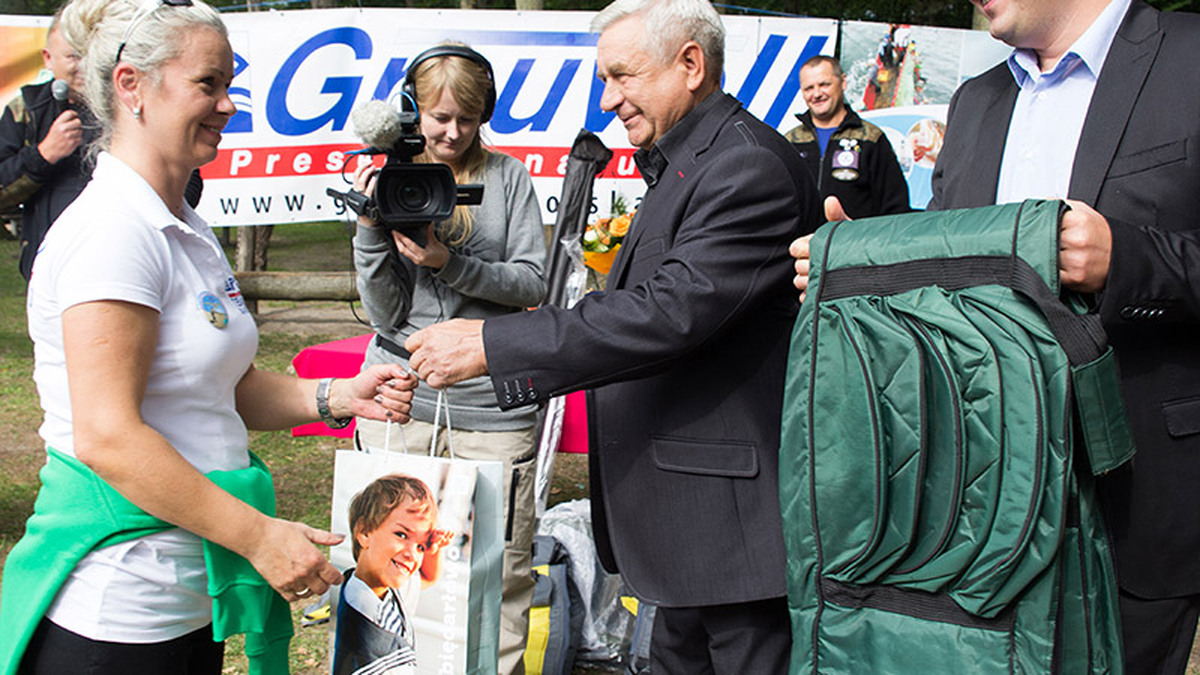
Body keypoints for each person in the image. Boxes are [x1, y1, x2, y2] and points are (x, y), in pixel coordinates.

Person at [403, 0, 821, 671]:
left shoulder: (746, 164)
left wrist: (493, 345)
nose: (607, 99)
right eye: (604, 80)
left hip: (729, 532)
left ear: (690, 64)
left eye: (622, 76)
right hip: (688, 526)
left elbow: (669, 312)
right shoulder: (689, 158)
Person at [0, 0, 417, 672]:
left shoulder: (183, 225)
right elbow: (108, 435)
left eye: (230, 84)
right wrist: (259, 537)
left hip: (186, 595)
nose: (227, 104)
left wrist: (337, 396)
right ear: (132, 85)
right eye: (208, 83)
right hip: (119, 609)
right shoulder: (112, 232)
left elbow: (222, 386)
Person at [794, 1, 1200, 672]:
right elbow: (952, 270)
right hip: (982, 510)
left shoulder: (1188, 55)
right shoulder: (978, 99)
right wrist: (864, 265)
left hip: (1137, 503)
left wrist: (1127, 260)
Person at [350, 42, 546, 675]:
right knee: (390, 568)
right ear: (413, 111)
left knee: (498, 567)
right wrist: (370, 229)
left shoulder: (509, 178)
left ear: (485, 111)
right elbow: (385, 315)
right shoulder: (391, 177)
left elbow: (532, 283)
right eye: (439, 118)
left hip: (490, 411)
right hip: (402, 405)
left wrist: (447, 262)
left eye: (467, 117)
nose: (453, 132)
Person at [0, 10, 88, 282]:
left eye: (91, 54)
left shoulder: (127, 106)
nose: (84, 65)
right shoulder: (25, 110)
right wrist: (44, 154)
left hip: (117, 260)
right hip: (48, 270)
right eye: (74, 56)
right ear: (48, 59)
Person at [334, 474, 453, 675]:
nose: (412, 554)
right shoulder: (361, 613)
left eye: (421, 546)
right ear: (364, 532)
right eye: (402, 535)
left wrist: (433, 550)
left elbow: (428, 577)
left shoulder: (391, 590)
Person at [784, 55, 910, 219]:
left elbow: (896, 208)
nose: (817, 94)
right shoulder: (790, 142)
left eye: (824, 85)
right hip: (803, 237)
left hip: (856, 236)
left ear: (843, 82)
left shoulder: (871, 139)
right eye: (809, 88)